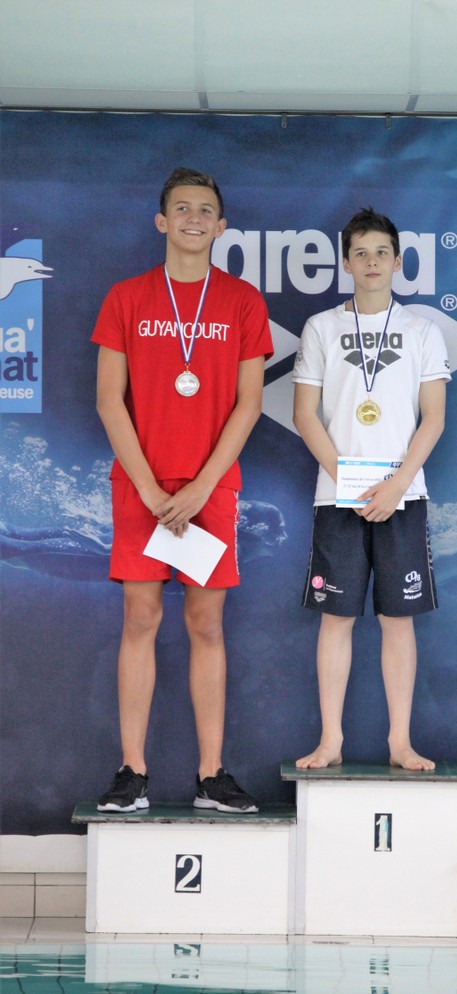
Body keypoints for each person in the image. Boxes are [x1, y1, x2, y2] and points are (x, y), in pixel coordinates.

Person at [92, 167, 273, 813]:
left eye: (205, 210)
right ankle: (132, 772)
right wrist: (147, 487)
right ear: (162, 221)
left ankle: (211, 775)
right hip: (141, 484)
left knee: (205, 624)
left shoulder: (243, 302)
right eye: (182, 208)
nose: (193, 218)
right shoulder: (126, 297)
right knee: (140, 618)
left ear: (221, 226)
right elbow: (108, 401)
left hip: (210, 489)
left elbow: (249, 403)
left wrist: (201, 486)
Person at [292, 207, 451, 771]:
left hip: (402, 496)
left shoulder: (423, 330)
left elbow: (434, 417)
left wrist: (396, 484)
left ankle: (399, 742)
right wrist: (352, 481)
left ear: (399, 261)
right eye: (360, 253)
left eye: (382, 252)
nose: (372, 262)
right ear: (345, 263)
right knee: (335, 618)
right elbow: (304, 415)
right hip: (338, 494)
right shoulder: (321, 328)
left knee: (396, 620)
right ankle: (330, 740)